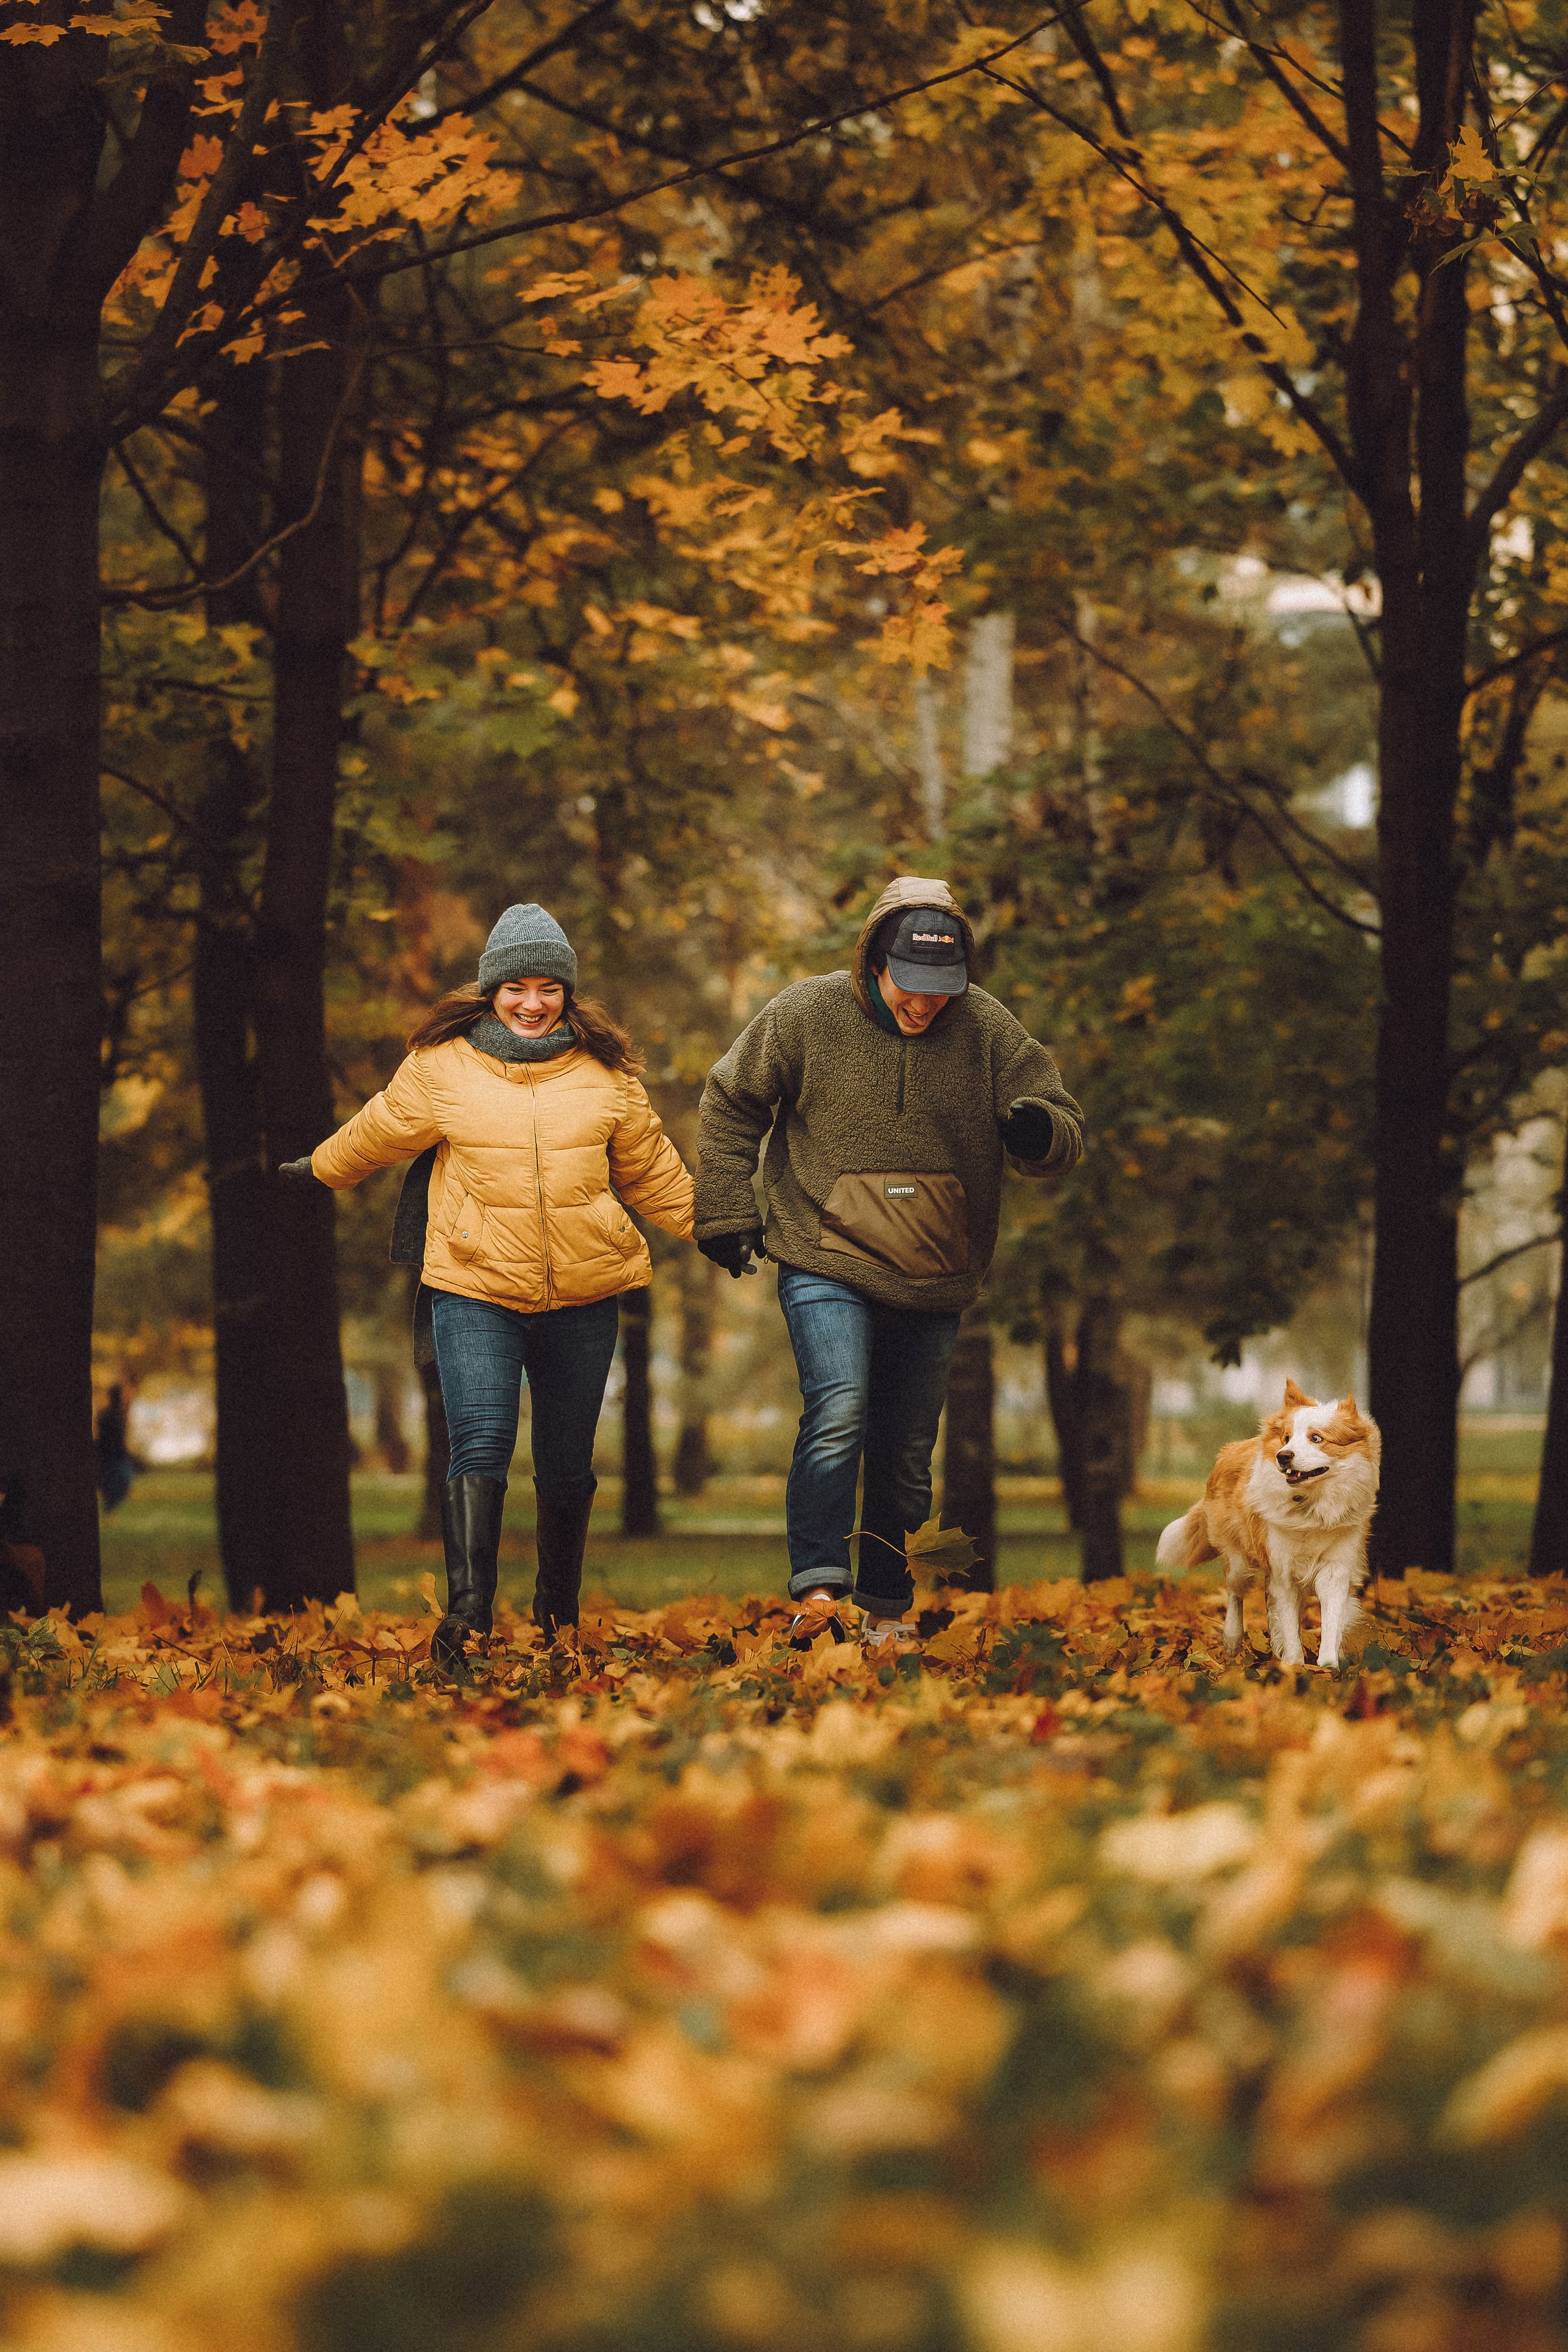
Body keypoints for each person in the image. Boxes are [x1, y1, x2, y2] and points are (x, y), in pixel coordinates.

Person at [280, 903, 693, 1665]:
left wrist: (718, 1230)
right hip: (473, 1289)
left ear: (567, 994)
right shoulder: (442, 1068)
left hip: (585, 1292)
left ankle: (556, 1616)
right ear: (489, 990)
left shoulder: (608, 1077)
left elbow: (654, 1172)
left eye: (548, 989)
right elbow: (380, 1126)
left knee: (568, 1464)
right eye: (516, 988)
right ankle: (466, 1617)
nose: (532, 1003)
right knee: (481, 1442)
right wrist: (321, 1168)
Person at [695, 876, 1082, 1650]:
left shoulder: (988, 1030)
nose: (925, 1004)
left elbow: (1063, 1124)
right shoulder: (806, 1013)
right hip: (823, 1251)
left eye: (943, 990)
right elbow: (730, 1100)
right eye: (911, 986)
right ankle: (818, 1592)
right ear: (873, 958)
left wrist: (1036, 1131)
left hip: (934, 1269)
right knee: (839, 1409)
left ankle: (886, 1608)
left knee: (906, 1452)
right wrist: (727, 1211)